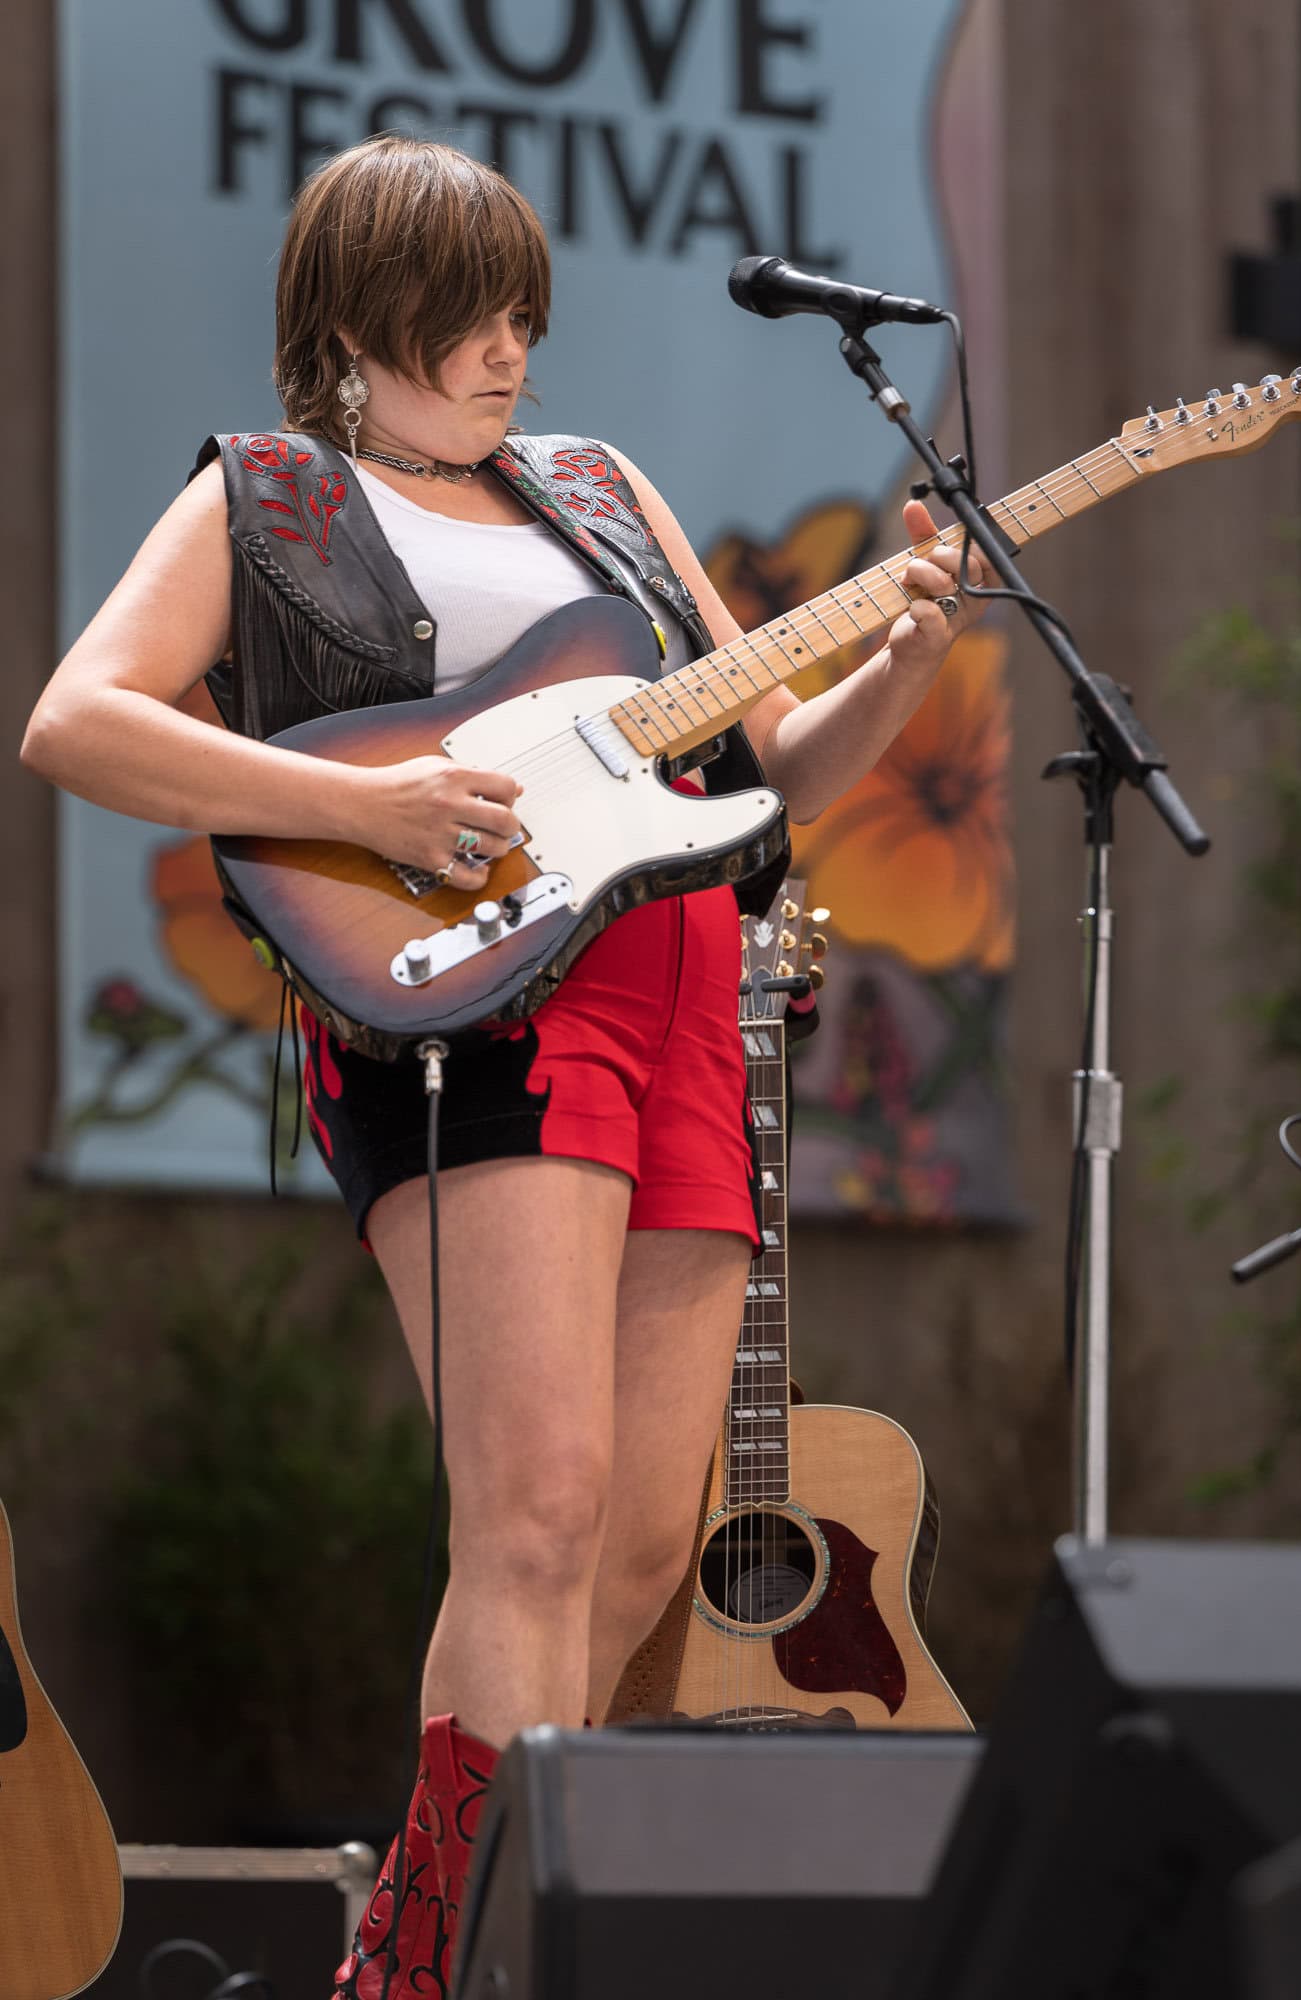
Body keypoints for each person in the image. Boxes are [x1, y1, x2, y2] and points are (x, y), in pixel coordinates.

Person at [21, 135, 986, 1999]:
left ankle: (430, 1941)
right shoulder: (268, 499)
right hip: (471, 1012)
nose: (508, 346)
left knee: (630, 1558)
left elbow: (779, 768)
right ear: (355, 319)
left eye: (526, 312)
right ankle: (438, 1976)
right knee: (531, 1514)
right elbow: (78, 720)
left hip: (688, 993)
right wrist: (358, 800)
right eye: (466, 313)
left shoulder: (600, 493)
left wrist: (901, 657)